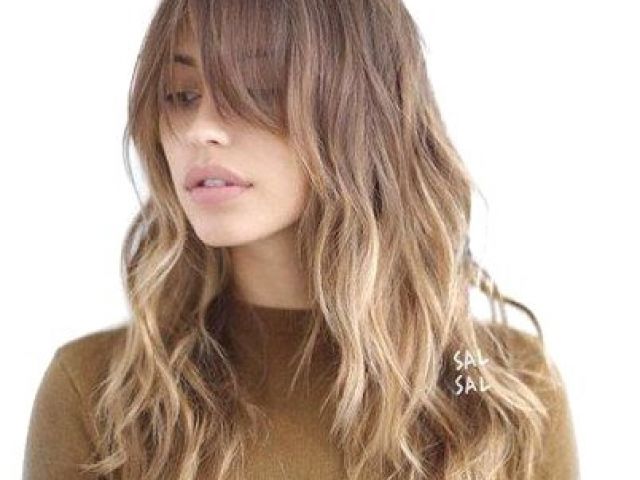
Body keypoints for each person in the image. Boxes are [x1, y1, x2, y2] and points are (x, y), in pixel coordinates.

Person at [23, 0, 579, 479]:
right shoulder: (100, 394)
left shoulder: (499, 387)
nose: (199, 129)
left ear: (362, 112)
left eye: (256, 90)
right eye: (181, 94)